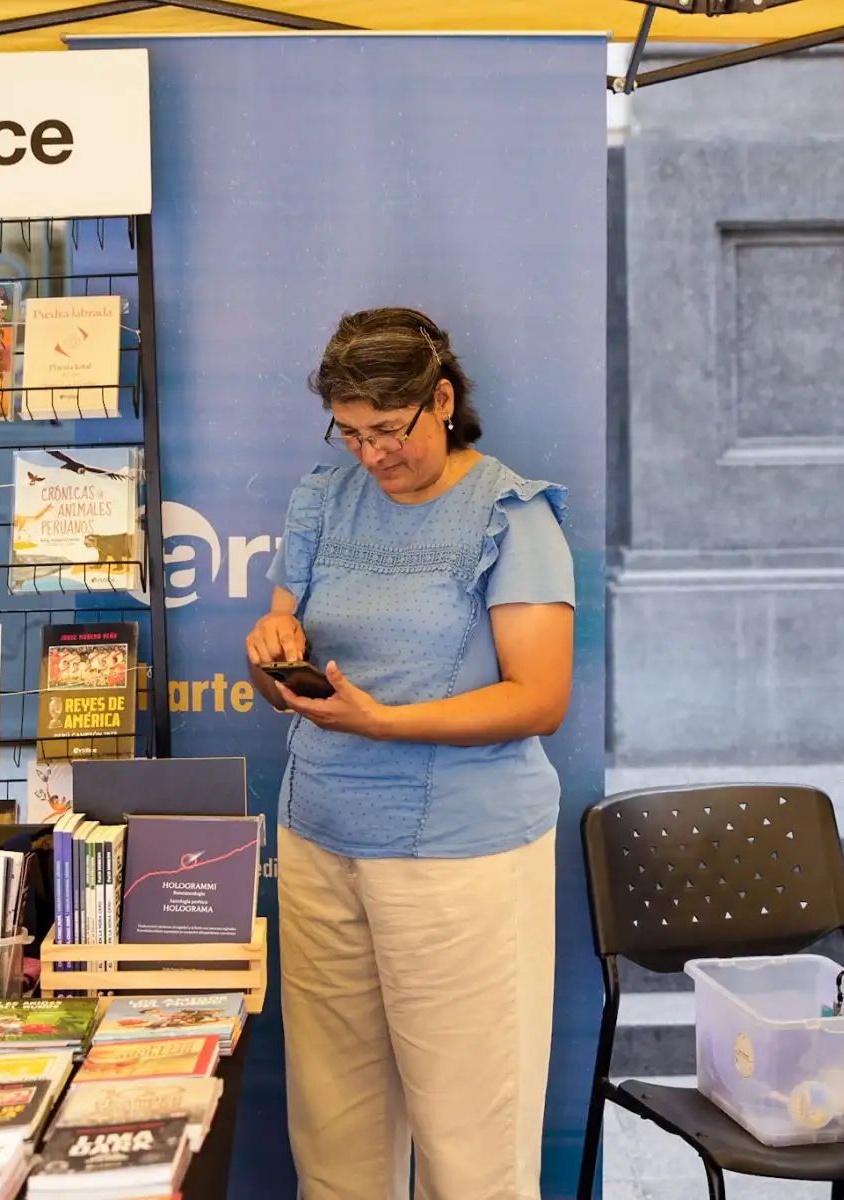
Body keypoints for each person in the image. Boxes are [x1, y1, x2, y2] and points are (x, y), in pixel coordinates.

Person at [244, 308, 575, 1199]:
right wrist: (273, 643)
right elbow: (287, 618)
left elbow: (538, 699)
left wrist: (382, 721)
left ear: (443, 399)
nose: (372, 455)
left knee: (472, 1142)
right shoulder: (323, 495)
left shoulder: (512, 514)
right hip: (322, 834)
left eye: (390, 430)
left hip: (461, 857)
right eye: (350, 432)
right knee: (336, 1129)